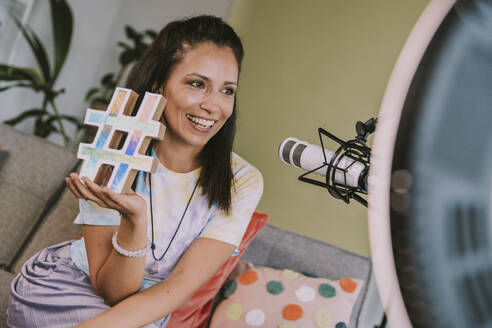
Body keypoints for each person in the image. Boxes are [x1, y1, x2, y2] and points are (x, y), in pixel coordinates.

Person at [7, 15, 263, 328]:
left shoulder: (243, 181)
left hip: (144, 312)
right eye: (197, 84)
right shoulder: (111, 151)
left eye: (227, 91)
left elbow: (178, 288)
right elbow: (113, 290)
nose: (214, 105)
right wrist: (135, 221)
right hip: (61, 289)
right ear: (159, 84)